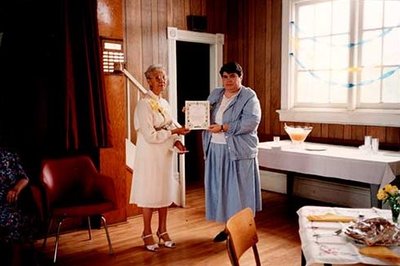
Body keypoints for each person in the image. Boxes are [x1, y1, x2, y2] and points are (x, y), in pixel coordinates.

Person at [129, 64, 190, 252]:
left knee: (164, 193)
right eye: (157, 77)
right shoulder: (143, 104)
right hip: (149, 155)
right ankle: (146, 232)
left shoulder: (165, 104)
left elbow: (172, 125)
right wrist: (173, 131)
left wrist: (178, 140)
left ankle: (162, 230)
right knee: (150, 193)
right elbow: (150, 135)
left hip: (164, 154)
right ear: (148, 80)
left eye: (163, 77)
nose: (162, 80)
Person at [202, 61, 262, 242]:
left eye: (232, 76)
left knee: (240, 192)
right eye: (225, 76)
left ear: (240, 77)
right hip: (215, 149)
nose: (228, 80)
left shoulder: (248, 96)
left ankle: (242, 231)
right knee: (222, 190)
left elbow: (251, 122)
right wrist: (192, 113)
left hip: (238, 151)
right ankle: (228, 229)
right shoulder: (216, 94)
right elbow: (203, 112)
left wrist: (224, 127)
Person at [0, 147, 38, 265]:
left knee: (17, 218)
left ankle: (17, 259)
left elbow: (24, 178)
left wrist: (15, 189)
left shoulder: (8, 155)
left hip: (6, 202)